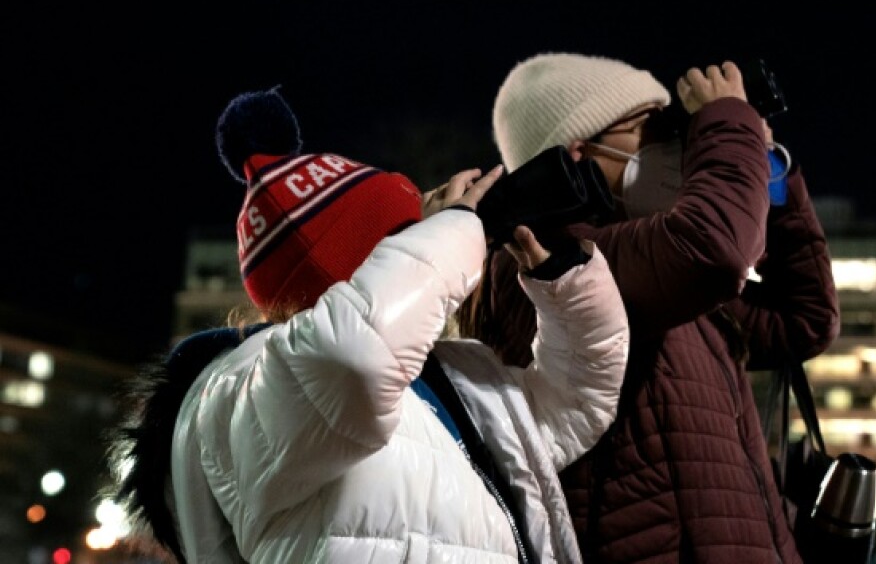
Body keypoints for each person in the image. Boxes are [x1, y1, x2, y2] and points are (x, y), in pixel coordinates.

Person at [105, 86, 629, 564]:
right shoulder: (247, 383)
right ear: (365, 265)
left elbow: (572, 408)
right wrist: (456, 229)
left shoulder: (440, 373)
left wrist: (563, 276)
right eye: (407, 232)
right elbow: (355, 355)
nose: (429, 233)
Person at [456, 53, 841, 563]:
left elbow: (804, 319)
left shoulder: (659, 270)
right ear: (577, 153)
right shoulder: (551, 265)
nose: (675, 147)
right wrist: (728, 125)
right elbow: (717, 252)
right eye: (652, 129)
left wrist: (767, 165)